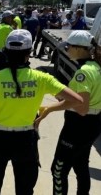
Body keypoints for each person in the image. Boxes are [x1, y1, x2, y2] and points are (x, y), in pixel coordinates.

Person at [0, 29, 83, 195]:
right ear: (30, 53)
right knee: (25, 189)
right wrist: (49, 109)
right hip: (26, 140)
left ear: (6, 52)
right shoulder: (42, 78)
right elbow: (77, 100)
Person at [35, 30, 101, 195]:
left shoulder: (83, 73)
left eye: (69, 47)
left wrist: (50, 109)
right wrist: (66, 100)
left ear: (79, 49)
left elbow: (82, 107)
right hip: (93, 125)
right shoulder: (96, 67)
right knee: (80, 166)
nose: (66, 50)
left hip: (77, 127)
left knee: (58, 170)